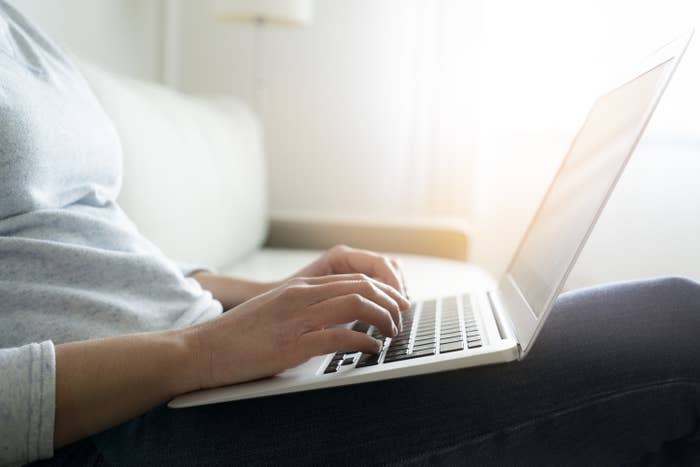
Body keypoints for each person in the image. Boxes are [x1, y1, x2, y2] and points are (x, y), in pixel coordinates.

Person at [1, 2, 699, 465]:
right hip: (125, 424)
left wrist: (271, 296)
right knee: (676, 325)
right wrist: (199, 351)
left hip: (203, 366)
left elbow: (84, 247)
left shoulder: (22, 29)